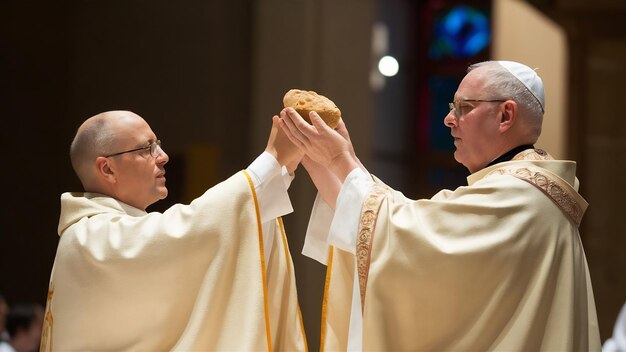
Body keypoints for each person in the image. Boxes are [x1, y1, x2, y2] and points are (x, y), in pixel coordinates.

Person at [279, 60, 601, 351]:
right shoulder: (523, 190)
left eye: (463, 107)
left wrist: (340, 161)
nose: (449, 119)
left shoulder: (522, 198)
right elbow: (403, 225)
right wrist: (331, 161)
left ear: (505, 115)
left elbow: (408, 239)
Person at [41, 110, 307, 351]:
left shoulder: (103, 233)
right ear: (107, 168)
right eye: (146, 148)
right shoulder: (91, 240)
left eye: (158, 144)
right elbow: (190, 230)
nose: (163, 156)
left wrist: (282, 170)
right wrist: (270, 162)